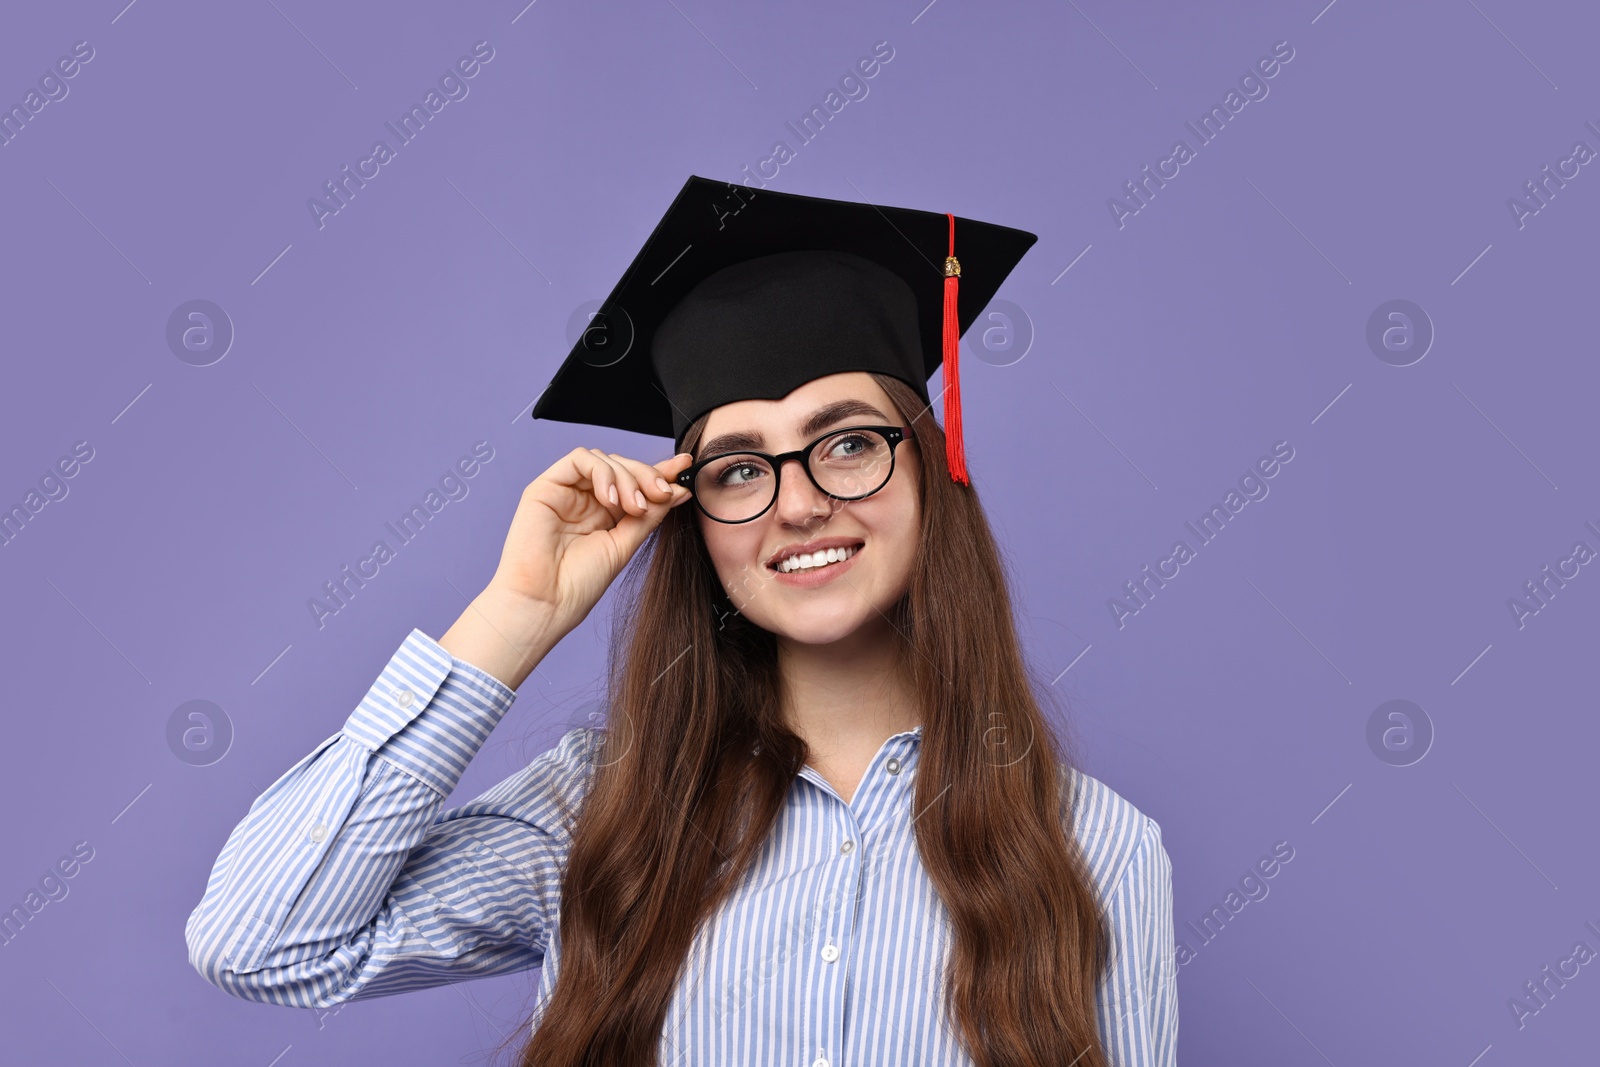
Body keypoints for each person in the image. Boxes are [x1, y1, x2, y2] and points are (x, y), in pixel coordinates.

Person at [185, 175, 1178, 1066]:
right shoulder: (604, 810)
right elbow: (262, 940)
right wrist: (514, 618)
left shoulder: (1094, 846)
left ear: (929, 468)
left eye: (844, 444)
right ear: (694, 515)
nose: (796, 505)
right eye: (738, 468)